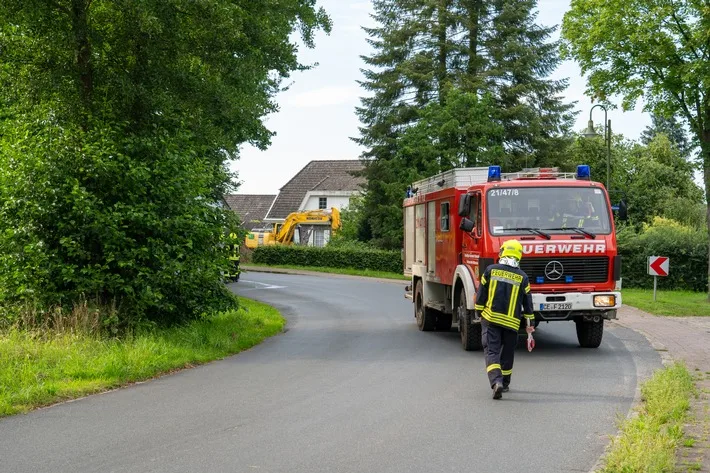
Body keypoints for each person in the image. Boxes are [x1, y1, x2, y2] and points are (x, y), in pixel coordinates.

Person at [474, 240, 535, 399]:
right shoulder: (523, 277)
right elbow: (528, 304)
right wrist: (530, 326)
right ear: (519, 255)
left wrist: (479, 311)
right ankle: (505, 383)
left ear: (502, 252)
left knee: (492, 351)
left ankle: (496, 382)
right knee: (507, 353)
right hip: (512, 324)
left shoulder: (490, 270)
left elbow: (481, 295)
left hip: (491, 319)